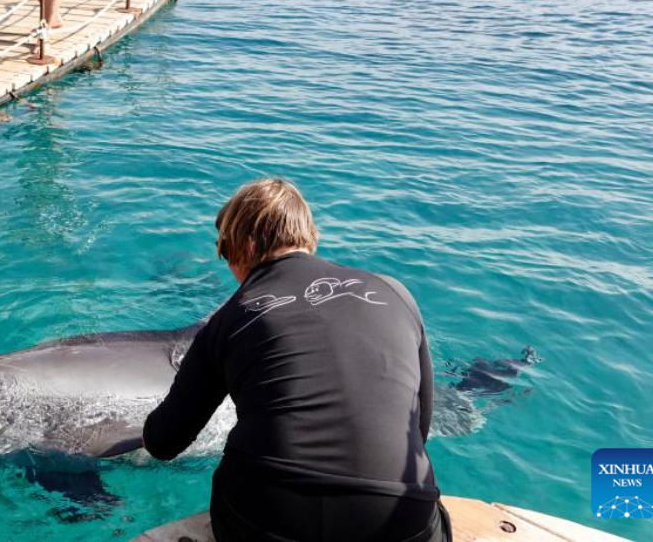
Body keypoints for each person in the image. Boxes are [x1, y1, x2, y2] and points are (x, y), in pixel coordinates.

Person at [143, 179, 449, 542]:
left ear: (248, 244)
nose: (228, 265)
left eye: (224, 250)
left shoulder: (230, 318)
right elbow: (420, 426)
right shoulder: (395, 293)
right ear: (307, 237)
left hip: (268, 526)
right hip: (402, 525)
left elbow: (164, 443)